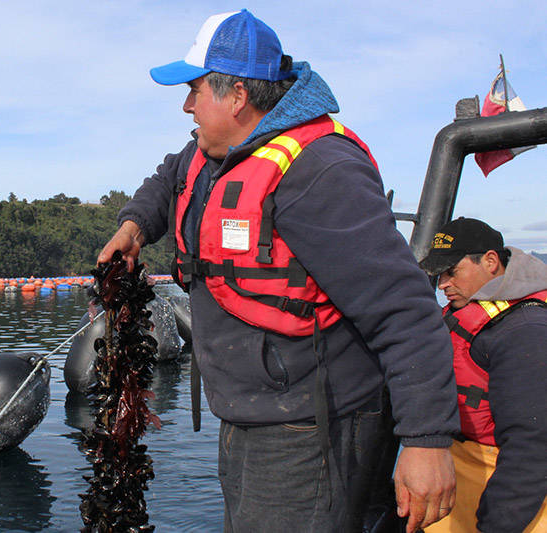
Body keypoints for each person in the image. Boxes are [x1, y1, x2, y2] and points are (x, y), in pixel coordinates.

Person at [97, 9, 459, 532]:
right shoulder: (213, 150)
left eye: (195, 90)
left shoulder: (320, 170)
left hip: (312, 426)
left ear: (238, 95)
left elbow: (404, 309)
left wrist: (427, 441)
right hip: (251, 414)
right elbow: (168, 178)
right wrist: (134, 225)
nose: (186, 105)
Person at [419, 217, 547, 533]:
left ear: (490, 261)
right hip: (461, 473)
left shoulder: (525, 331)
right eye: (440, 275)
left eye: (452, 271)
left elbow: (531, 446)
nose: (443, 283)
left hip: (505, 497)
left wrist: (495, 526)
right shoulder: (473, 310)